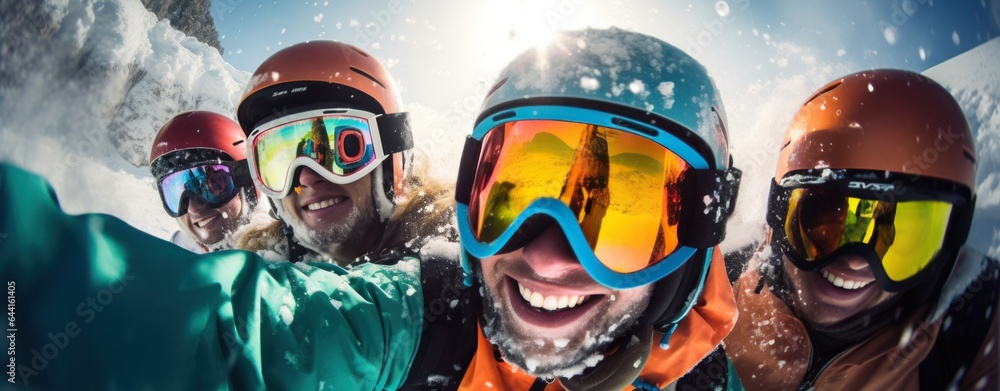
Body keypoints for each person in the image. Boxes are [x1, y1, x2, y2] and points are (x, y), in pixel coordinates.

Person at [0, 28, 741, 390]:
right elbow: (235, 330)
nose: (550, 250)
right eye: (512, 189)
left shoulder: (707, 374)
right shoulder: (431, 317)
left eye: (620, 210)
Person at [723, 69, 998, 390]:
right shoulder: (717, 283)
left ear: (949, 242)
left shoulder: (972, 324)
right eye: (825, 219)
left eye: (899, 233)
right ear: (779, 212)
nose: (855, 262)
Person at [233, 40, 455, 265]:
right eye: (279, 164)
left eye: (339, 151)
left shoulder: (451, 253)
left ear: (390, 162)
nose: (306, 178)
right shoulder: (263, 271)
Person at [148, 110, 261, 253]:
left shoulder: (283, 256)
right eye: (176, 196)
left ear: (246, 181)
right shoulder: (174, 260)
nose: (193, 209)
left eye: (213, 187)